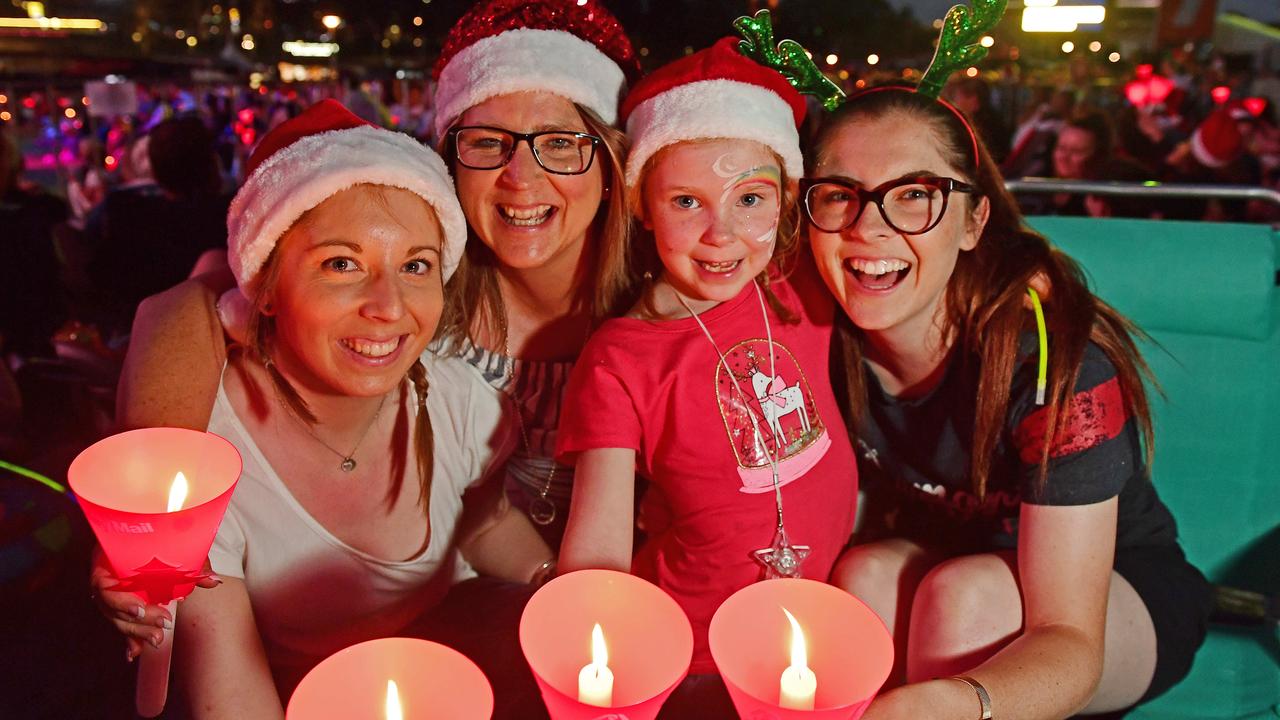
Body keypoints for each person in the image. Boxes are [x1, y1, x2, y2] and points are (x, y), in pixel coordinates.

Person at [92, 100, 554, 718]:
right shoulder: (200, 466)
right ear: (267, 286)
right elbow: (233, 698)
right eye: (342, 264)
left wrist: (555, 584)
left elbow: (486, 520)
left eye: (415, 265)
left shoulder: (456, 395)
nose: (389, 307)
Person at [804, 87, 1211, 719]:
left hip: (1114, 593)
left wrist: (949, 706)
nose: (867, 225)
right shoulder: (815, 341)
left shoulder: (1050, 368)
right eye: (839, 193)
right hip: (959, 554)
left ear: (972, 223)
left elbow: (1069, 638)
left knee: (962, 598)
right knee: (863, 576)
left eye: (914, 194)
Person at [556, 37, 858, 713]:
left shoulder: (805, 282)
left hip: (813, 631)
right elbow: (598, 545)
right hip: (689, 654)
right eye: (687, 203)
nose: (721, 236)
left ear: (786, 196)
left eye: (749, 200)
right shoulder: (620, 356)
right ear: (641, 205)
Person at [427, 0, 640, 550]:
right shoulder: (418, 307)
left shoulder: (681, 295)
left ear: (610, 166)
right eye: (488, 143)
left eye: (559, 145)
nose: (520, 178)